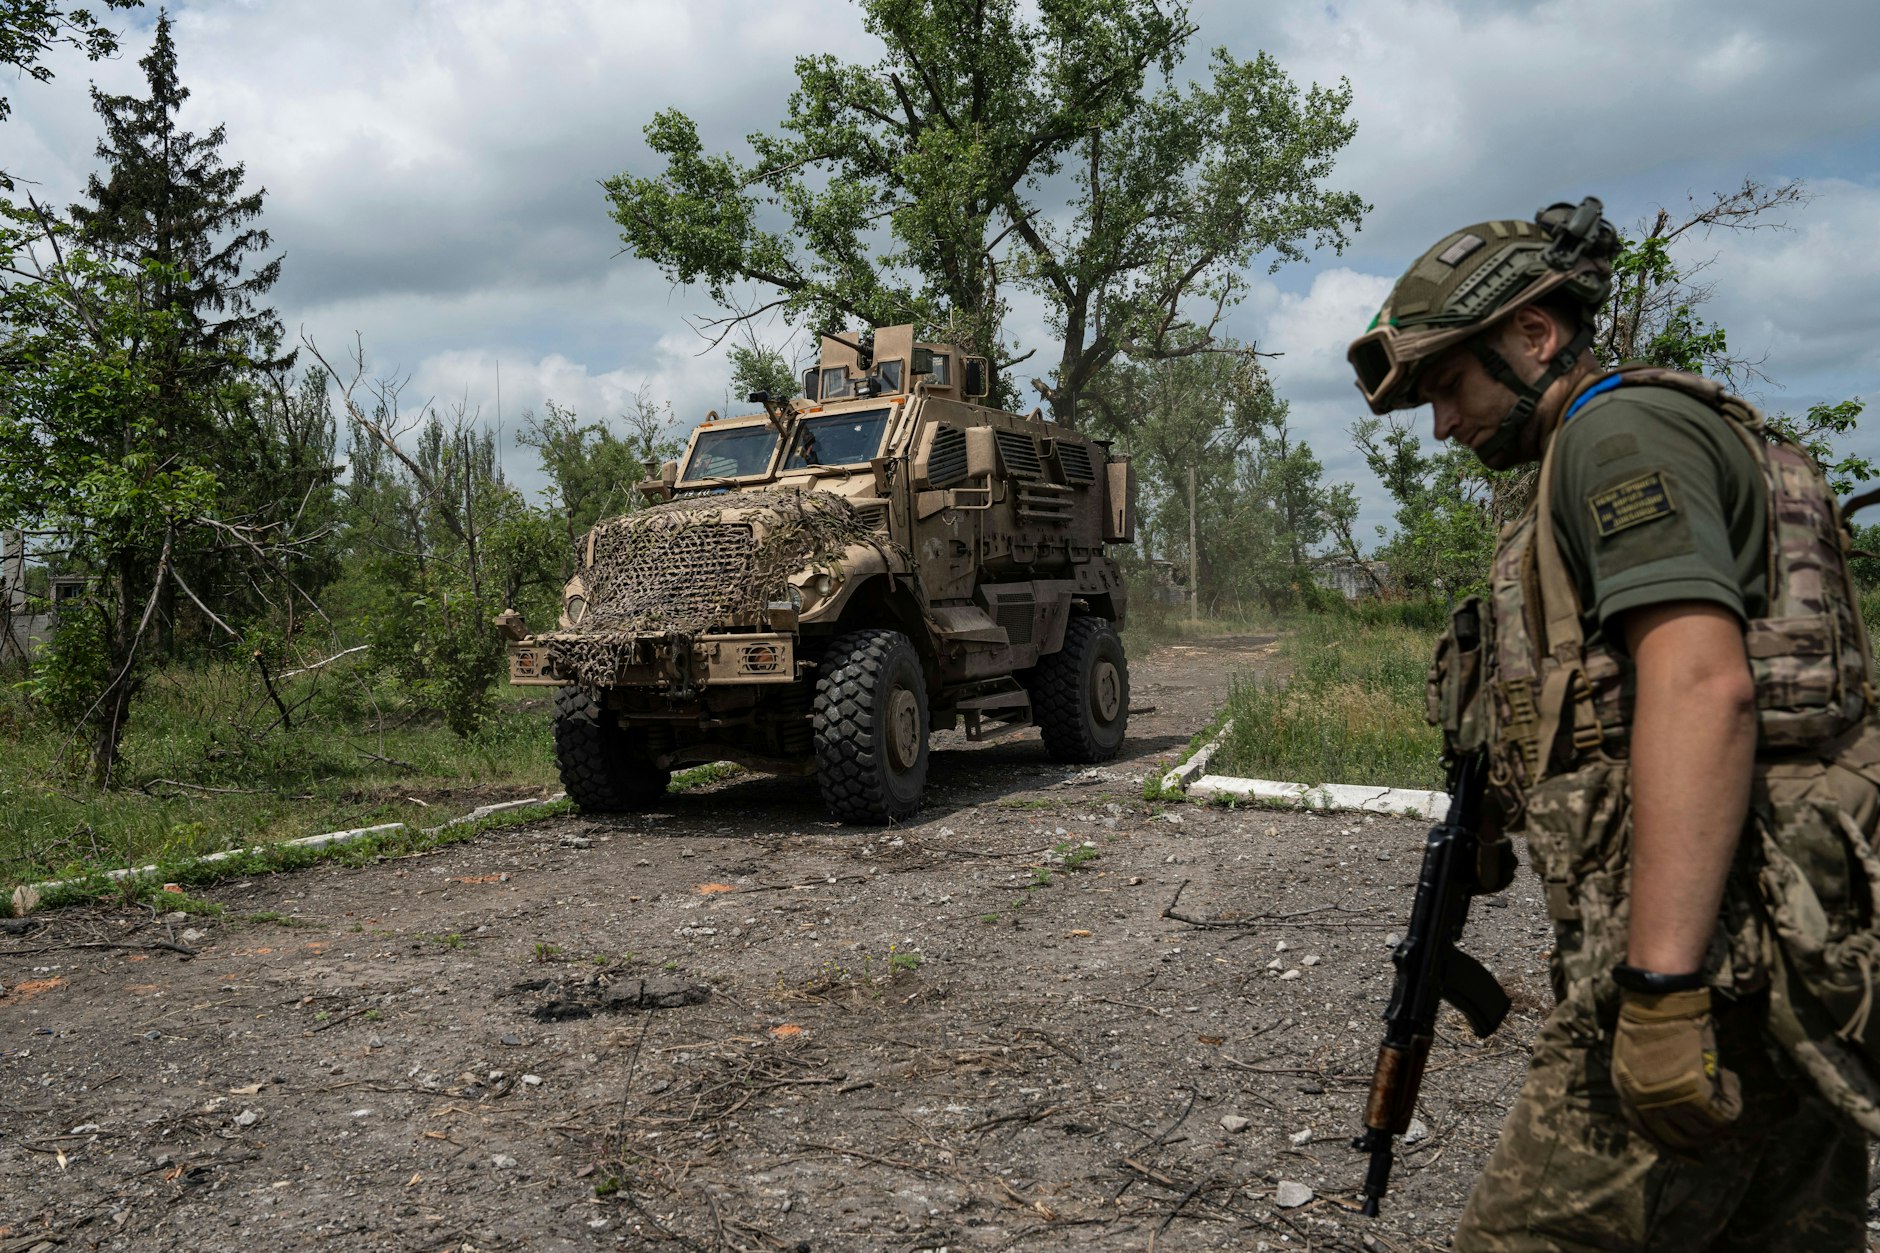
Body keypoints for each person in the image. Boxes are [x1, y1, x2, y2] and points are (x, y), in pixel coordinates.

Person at [1347, 198, 1879, 1251]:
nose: (1443, 424)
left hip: (1711, 951)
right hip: (1789, 947)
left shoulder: (1614, 433)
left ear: (1533, 335)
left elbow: (1698, 683)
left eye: (1448, 385)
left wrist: (1660, 987)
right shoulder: (1646, 436)